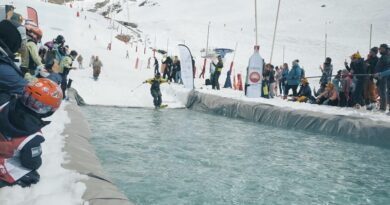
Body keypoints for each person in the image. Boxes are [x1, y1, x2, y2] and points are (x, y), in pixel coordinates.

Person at [1, 78, 63, 188]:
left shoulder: (5, 104)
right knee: (33, 177)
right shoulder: (33, 137)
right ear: (49, 111)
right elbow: (30, 163)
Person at [374, 44, 390, 112]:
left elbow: (387, 68)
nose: (380, 49)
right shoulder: (383, 56)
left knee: (383, 92)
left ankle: (383, 108)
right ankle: (383, 107)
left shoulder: (386, 57)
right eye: (380, 48)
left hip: (384, 77)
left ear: (386, 49)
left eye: (382, 48)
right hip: (381, 77)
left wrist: (381, 74)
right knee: (382, 92)